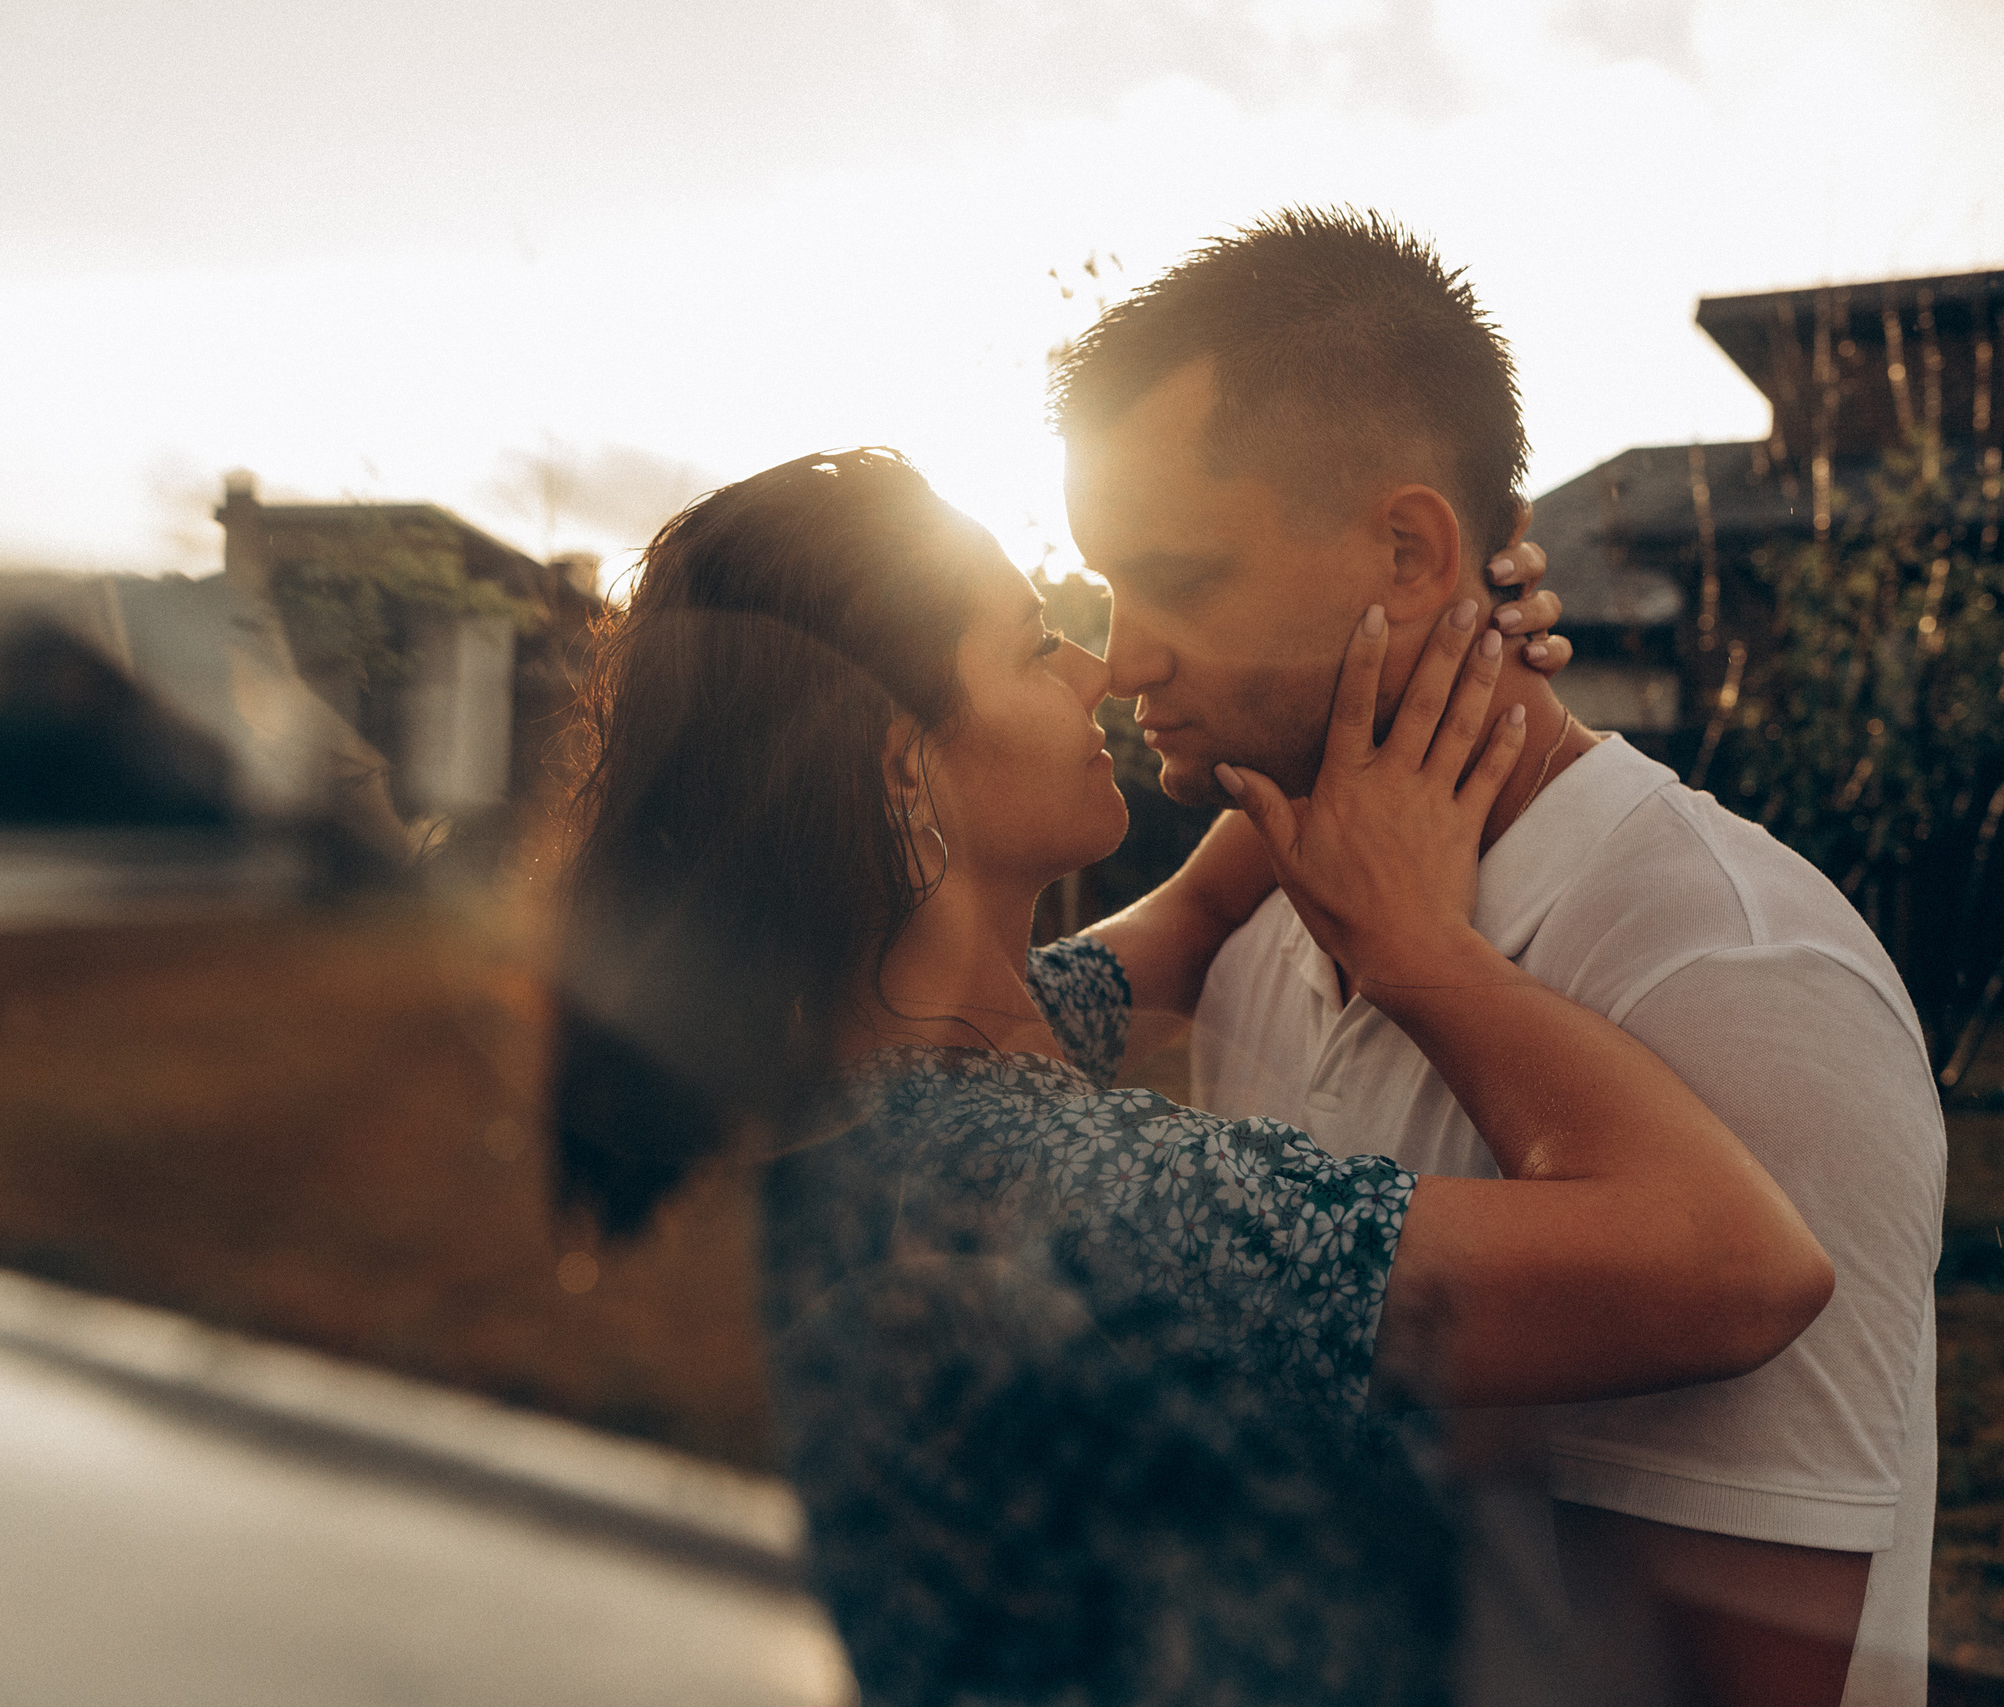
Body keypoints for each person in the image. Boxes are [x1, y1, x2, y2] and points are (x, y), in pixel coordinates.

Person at [551, 445, 1833, 1706]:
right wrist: (1423, 953)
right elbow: (1738, 1270)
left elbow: (1186, 917)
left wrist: (1386, 666)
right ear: (902, 769)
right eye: (1029, 647)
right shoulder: (1086, 1195)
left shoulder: (879, 1075)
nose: (1098, 666)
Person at [1053, 209, 1946, 1707]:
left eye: (1181, 576)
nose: (1122, 653)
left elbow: (1726, 1686)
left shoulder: (1730, 973)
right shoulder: (1258, 926)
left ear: (1410, 551)